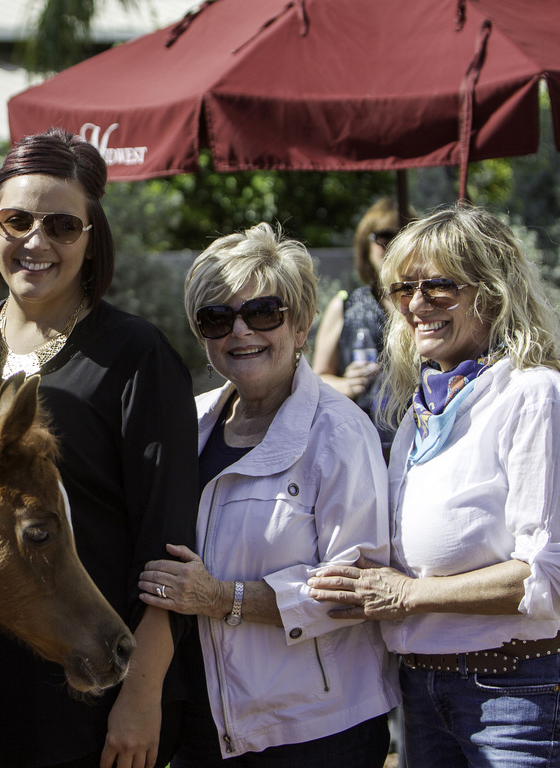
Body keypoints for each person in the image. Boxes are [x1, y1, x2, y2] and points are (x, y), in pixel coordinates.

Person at [0, 127, 198, 768]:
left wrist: (142, 693)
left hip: (92, 687)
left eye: (62, 226)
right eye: (16, 219)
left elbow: (167, 553)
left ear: (92, 235)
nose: (36, 242)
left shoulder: (137, 356)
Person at [308, 205, 560, 767]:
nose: (416, 305)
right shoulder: (419, 411)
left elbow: (545, 573)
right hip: (421, 688)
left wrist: (405, 594)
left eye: (440, 287)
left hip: (512, 691)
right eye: (403, 289)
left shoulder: (533, 393)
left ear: (492, 292)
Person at [138, 223, 398, 766]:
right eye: (216, 318)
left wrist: (220, 598)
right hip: (206, 727)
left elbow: (356, 586)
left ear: (301, 324)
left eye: (262, 313)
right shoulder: (190, 423)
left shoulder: (341, 433)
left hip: (316, 732)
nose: (240, 332)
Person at [312, 197, 410, 455]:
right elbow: (316, 380)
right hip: (359, 444)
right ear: (365, 245)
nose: (393, 244)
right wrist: (346, 384)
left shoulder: (424, 306)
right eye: (384, 236)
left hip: (416, 439)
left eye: (404, 234)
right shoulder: (345, 305)